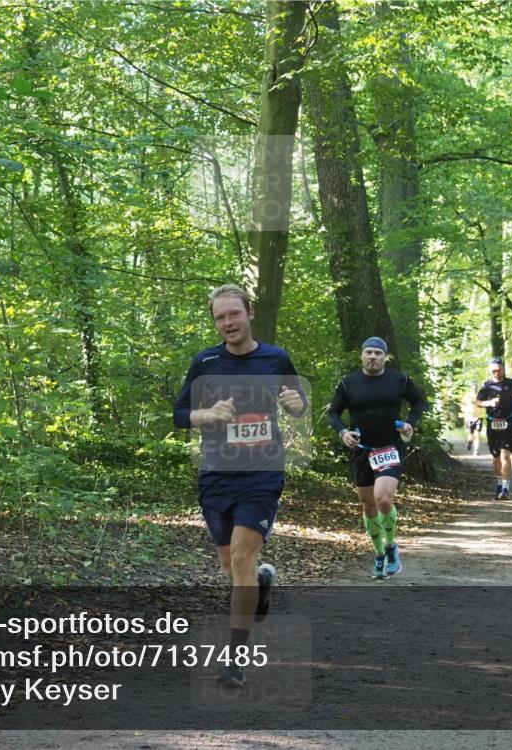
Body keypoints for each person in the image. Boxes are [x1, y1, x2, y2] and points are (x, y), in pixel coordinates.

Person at [173, 284, 306, 688]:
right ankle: (262, 585)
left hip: (262, 474)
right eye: (220, 317)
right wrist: (207, 413)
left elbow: (298, 403)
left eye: (234, 314)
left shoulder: (275, 358)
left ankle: (235, 657)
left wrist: (295, 405)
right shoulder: (205, 362)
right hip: (216, 474)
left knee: (243, 560)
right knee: (232, 566)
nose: (227, 323)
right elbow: (179, 414)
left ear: (249, 313)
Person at [328, 337, 429, 578]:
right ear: (362, 356)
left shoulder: (399, 380)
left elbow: (419, 402)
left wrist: (410, 424)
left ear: (385, 357)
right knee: (368, 504)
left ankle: (392, 546)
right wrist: (343, 432)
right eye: (368, 353)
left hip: (389, 447)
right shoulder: (348, 383)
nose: (373, 357)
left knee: (383, 498)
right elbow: (333, 412)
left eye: (377, 353)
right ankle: (379, 554)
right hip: (361, 449)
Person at [475, 357, 512, 500]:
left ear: (503, 369)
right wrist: (489, 403)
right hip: (492, 423)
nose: (497, 373)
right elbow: (478, 402)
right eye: (494, 371)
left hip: (508, 422)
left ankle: (505, 488)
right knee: (496, 457)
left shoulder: (510, 383)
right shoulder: (486, 386)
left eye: (499, 370)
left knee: (506, 455)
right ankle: (499, 483)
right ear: (490, 370)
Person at [463, 384, 484, 456]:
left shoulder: (480, 395)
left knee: (477, 434)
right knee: (470, 434)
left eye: (476, 387)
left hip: (478, 417)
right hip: (469, 417)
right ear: (471, 388)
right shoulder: (467, 396)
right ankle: (469, 441)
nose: (475, 388)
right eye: (473, 387)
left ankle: (476, 450)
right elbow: (463, 405)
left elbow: (483, 404)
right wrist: (465, 413)